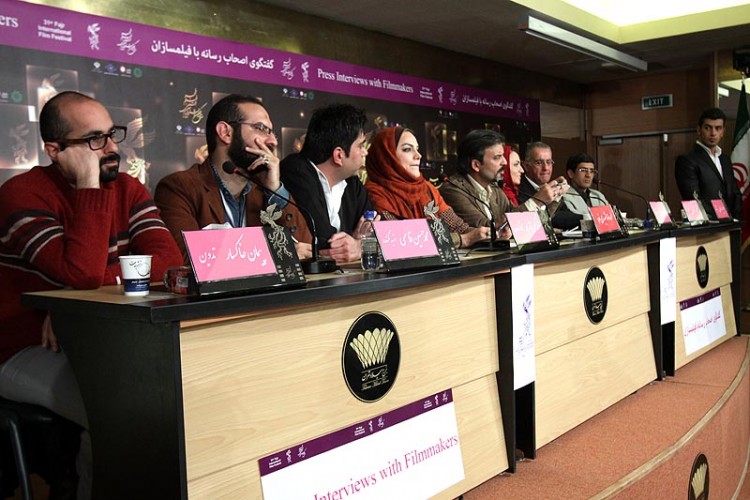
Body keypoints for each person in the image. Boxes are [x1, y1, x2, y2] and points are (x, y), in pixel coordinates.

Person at [0, 91, 183, 497]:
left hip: (97, 341)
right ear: (55, 150)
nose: (112, 147)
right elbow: (82, 272)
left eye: (112, 134)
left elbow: (167, 263)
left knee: (164, 406)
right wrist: (88, 184)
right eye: (94, 140)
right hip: (20, 347)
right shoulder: (21, 193)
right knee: (121, 415)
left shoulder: (129, 188)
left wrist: (70, 305)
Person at [154, 94, 312, 262]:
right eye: (261, 128)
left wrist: (275, 190)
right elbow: (188, 259)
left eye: (272, 133)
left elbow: (306, 249)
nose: (272, 141)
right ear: (225, 133)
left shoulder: (264, 191)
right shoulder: (179, 188)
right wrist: (278, 253)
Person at [364, 126, 489, 248]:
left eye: (417, 149)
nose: (418, 155)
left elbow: (459, 227)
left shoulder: (427, 189)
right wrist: (463, 239)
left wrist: (488, 234)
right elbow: (403, 241)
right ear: (386, 157)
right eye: (407, 149)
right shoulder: (374, 194)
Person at [280, 103, 373, 264]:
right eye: (360, 146)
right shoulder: (295, 171)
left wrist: (359, 246)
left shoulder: (352, 181)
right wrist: (354, 242)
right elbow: (325, 242)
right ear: (339, 155)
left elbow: (378, 229)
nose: (365, 152)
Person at [440, 130, 562, 232]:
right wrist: (536, 201)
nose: (504, 162)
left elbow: (522, 226)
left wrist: (553, 198)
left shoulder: (494, 188)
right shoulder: (453, 191)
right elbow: (488, 229)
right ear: (476, 165)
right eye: (497, 157)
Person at [675, 107, 742, 220]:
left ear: (723, 131)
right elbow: (694, 199)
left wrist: (735, 220)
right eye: (708, 128)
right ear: (699, 130)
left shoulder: (725, 159)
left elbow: (735, 193)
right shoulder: (687, 160)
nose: (713, 133)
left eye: (718, 128)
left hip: (731, 224)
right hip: (708, 225)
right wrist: (721, 220)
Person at [554, 153, 609, 229]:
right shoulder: (562, 195)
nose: (588, 175)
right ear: (571, 174)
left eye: (592, 171)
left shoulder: (598, 196)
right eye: (583, 170)